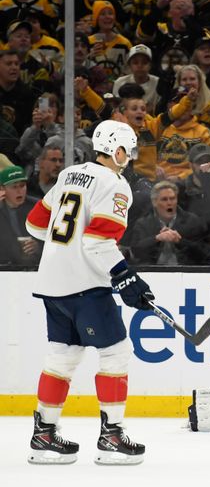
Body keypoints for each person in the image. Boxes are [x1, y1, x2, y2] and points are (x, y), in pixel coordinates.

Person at [25, 120, 151, 464]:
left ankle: (44, 435)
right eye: (129, 149)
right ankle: (111, 437)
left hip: (52, 282)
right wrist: (124, 275)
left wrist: (65, 246)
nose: (131, 156)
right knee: (116, 353)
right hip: (84, 284)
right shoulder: (116, 184)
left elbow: (35, 224)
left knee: (61, 357)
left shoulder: (68, 174)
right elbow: (98, 242)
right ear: (118, 150)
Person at [0, 165, 41, 265]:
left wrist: (38, 246)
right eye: (14, 187)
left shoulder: (38, 207)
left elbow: (53, 239)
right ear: (2, 189)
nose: (19, 191)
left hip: (34, 267)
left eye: (22, 186)